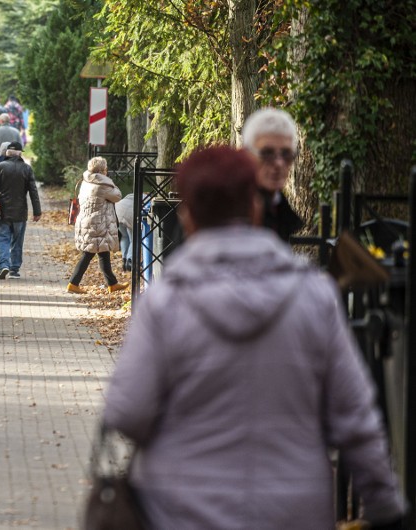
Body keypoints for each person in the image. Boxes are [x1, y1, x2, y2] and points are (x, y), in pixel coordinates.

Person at [103, 146, 406, 530]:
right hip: (295, 509)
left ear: (188, 218)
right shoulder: (314, 295)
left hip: (179, 508)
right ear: (256, 207)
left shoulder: (165, 303)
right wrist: (384, 505)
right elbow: (355, 416)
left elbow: (126, 413)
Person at [66, 157, 128, 293]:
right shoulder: (102, 185)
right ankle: (73, 283)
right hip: (98, 223)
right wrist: (112, 183)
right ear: (102, 170)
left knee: (103, 253)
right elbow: (117, 196)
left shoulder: (86, 181)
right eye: (105, 169)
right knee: (88, 254)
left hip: (88, 221)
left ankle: (112, 283)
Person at [242, 107, 304, 242]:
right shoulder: (228, 214)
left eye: (286, 154)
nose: (279, 163)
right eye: (267, 154)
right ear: (247, 155)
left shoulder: (280, 208)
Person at [0, 141, 41, 279]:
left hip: (2, 211)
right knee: (17, 240)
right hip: (20, 212)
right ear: (20, 153)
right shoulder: (27, 169)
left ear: (7, 153)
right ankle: (14, 269)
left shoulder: (0, 166)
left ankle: (4, 265)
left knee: (3, 238)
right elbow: (33, 191)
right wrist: (37, 211)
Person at [114, 193, 136, 272]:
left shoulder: (128, 197)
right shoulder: (145, 198)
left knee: (124, 237)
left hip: (118, 215)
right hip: (130, 216)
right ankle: (130, 260)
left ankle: (124, 258)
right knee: (133, 239)